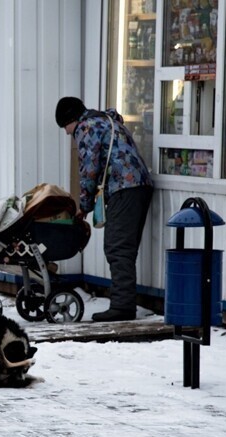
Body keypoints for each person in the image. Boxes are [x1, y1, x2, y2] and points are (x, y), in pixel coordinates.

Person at [55, 96, 154, 322]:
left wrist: (84, 207)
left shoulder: (86, 128)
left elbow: (89, 171)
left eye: (65, 127)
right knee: (124, 248)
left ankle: (122, 307)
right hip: (139, 186)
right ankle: (124, 303)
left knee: (117, 248)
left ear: (71, 119)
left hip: (124, 187)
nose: (67, 133)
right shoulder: (106, 121)